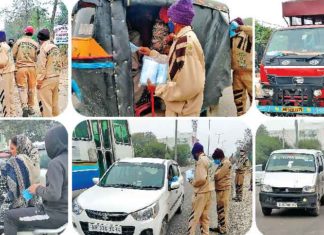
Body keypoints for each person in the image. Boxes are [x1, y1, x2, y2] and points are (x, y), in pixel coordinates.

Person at [139, 0, 206, 117]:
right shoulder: (180, 39)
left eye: (170, 18)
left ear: (177, 21)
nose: (168, 21)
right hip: (178, 107)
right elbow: (173, 62)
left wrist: (157, 88)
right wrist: (152, 53)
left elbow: (188, 87)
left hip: (184, 111)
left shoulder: (186, 42)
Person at [4, 125, 68, 235]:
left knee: (8, 216)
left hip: (52, 213)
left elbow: (53, 194)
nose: (10, 152)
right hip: (41, 203)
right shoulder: (36, 160)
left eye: (13, 148)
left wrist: (37, 189)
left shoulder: (16, 162)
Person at [0, 135, 40, 222]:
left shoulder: (14, 161)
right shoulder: (34, 160)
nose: (10, 151)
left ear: (19, 147)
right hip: (35, 207)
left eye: (12, 148)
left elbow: (9, 191)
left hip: (15, 210)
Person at [12, 26, 39, 117]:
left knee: (22, 88)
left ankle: (24, 107)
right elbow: (37, 58)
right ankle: (31, 108)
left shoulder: (18, 42)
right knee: (31, 88)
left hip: (20, 68)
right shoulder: (35, 44)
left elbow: (12, 54)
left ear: (25, 32)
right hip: (32, 68)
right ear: (32, 33)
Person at [188, 142, 214, 235]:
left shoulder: (200, 160)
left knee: (194, 217)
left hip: (201, 193)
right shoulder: (208, 160)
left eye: (194, 154)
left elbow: (201, 179)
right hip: (209, 191)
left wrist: (192, 181)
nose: (194, 156)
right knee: (205, 217)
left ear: (196, 152)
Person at [36, 29, 62, 117]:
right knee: (55, 106)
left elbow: (41, 67)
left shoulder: (43, 49)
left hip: (46, 80)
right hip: (56, 78)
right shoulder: (55, 47)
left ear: (39, 39)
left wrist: (39, 82)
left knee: (46, 106)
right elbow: (60, 63)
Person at [230, 17, 253, 116]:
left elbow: (252, 30)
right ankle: (240, 115)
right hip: (236, 72)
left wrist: (240, 27)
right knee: (238, 97)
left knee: (252, 95)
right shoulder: (231, 37)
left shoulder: (247, 36)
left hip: (248, 72)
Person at [211, 148, 232, 234]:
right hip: (220, 189)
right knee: (219, 209)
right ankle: (220, 227)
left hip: (224, 189)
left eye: (216, 159)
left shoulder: (226, 163)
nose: (215, 161)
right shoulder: (223, 162)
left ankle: (223, 229)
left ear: (219, 157)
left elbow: (218, 176)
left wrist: (211, 175)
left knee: (222, 210)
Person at [0, 31, 16, 117]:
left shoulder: (1, 46)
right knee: (10, 94)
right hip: (10, 72)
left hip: (4, 73)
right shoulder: (7, 46)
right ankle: (12, 113)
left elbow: (2, 62)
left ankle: (7, 115)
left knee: (4, 96)